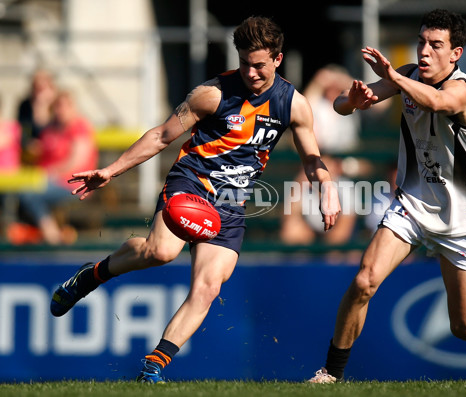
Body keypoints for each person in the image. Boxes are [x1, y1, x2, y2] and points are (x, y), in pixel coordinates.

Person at [49, 16, 341, 383]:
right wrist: (112, 170)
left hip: (232, 203)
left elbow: (312, 157)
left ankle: (153, 367)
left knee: (208, 287)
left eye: (260, 65)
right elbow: (161, 136)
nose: (251, 73)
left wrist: (327, 189)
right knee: (160, 253)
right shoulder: (212, 94)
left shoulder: (293, 105)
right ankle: (91, 275)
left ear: (278, 60)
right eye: (245, 63)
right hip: (192, 182)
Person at [308, 9, 466, 383]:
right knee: (364, 281)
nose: (425, 51)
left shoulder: (463, 90)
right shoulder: (409, 75)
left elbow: (437, 103)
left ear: (456, 53)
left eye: (436, 45)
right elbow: (341, 106)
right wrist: (355, 99)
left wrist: (392, 77)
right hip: (411, 205)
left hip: (462, 220)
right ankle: (331, 373)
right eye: (421, 42)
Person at [17, 90, 97, 245]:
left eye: (65, 106)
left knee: (29, 194)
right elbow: (39, 153)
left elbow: (76, 162)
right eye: (58, 106)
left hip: (71, 183)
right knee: (20, 191)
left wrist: (49, 173)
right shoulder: (50, 128)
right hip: (46, 179)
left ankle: (51, 235)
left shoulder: (79, 127)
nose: (61, 110)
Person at [17, 69, 57, 164]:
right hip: (31, 152)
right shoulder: (25, 105)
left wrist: (42, 106)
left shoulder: (58, 105)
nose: (40, 92)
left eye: (42, 88)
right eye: (37, 88)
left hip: (52, 150)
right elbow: (23, 129)